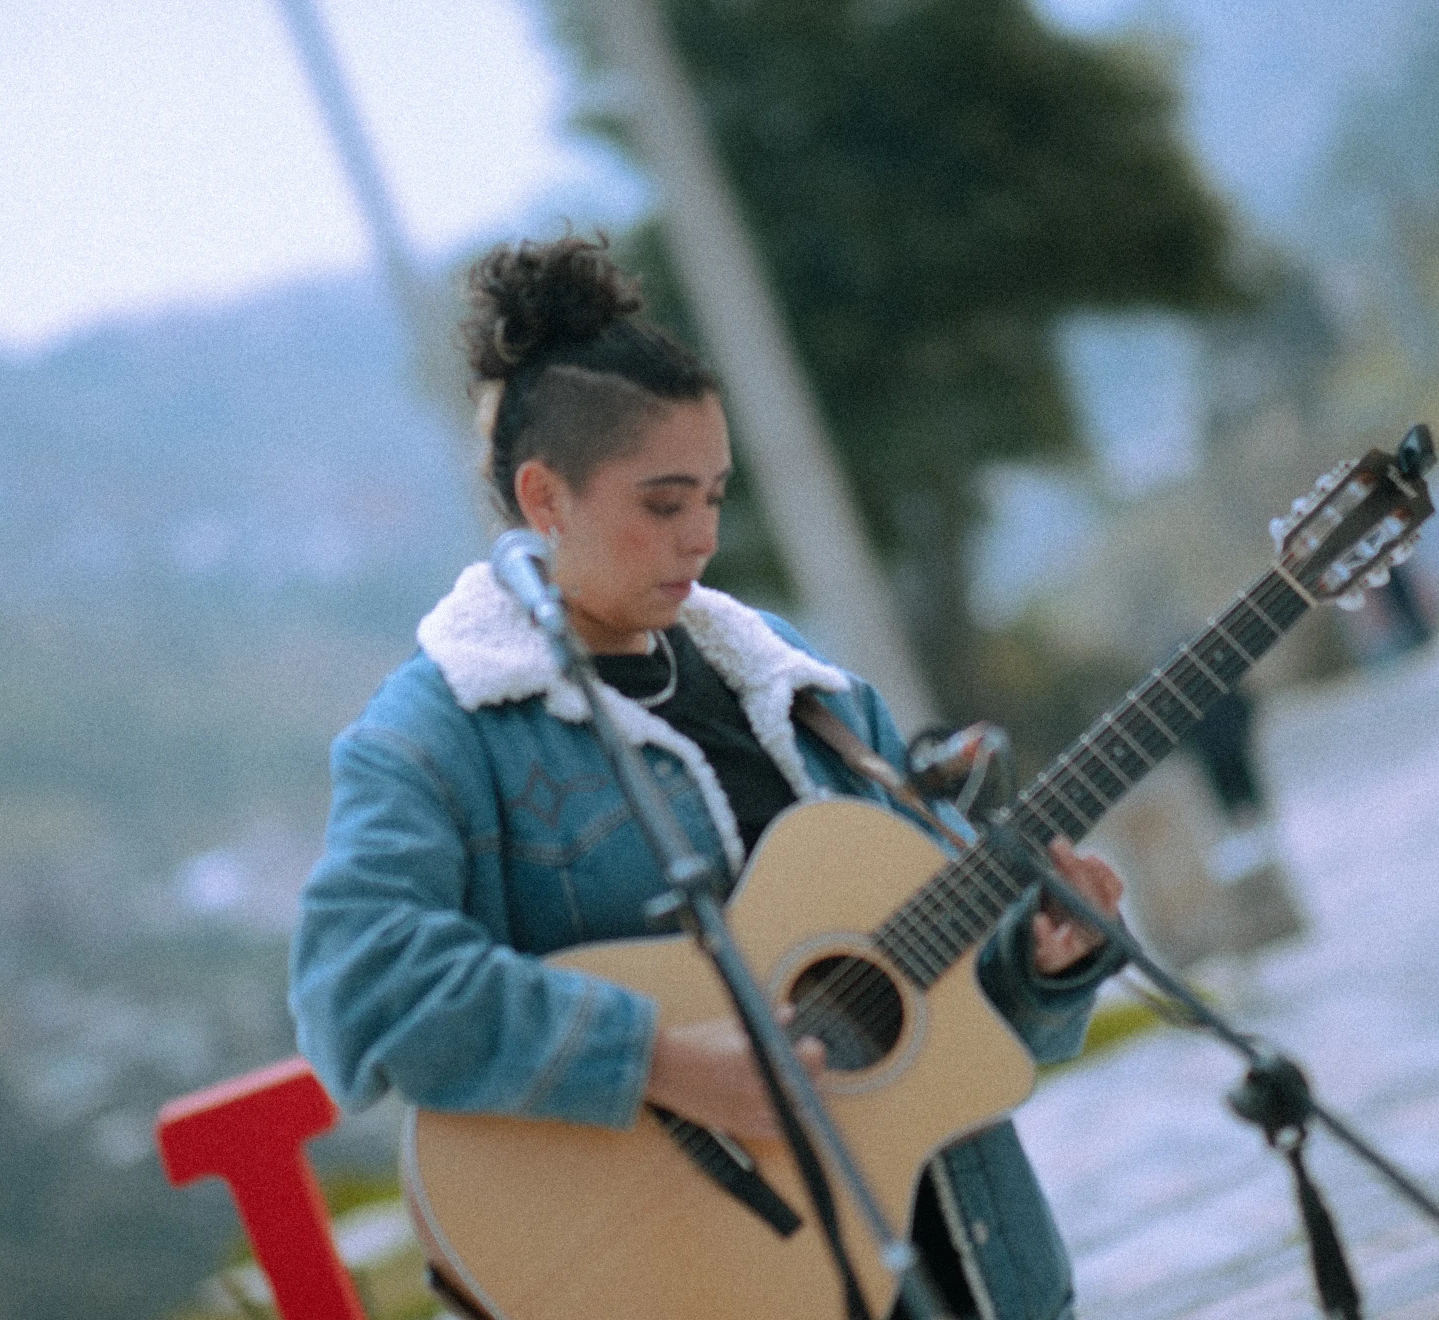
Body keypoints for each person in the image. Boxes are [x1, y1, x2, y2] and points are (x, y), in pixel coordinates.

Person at [288, 234, 1129, 1320]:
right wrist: (661, 1061)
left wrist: (1048, 962)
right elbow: (355, 989)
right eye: (663, 502)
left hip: (973, 1275)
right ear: (546, 497)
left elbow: (960, 1020)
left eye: (716, 498)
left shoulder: (797, 689)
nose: (701, 538)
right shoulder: (439, 732)